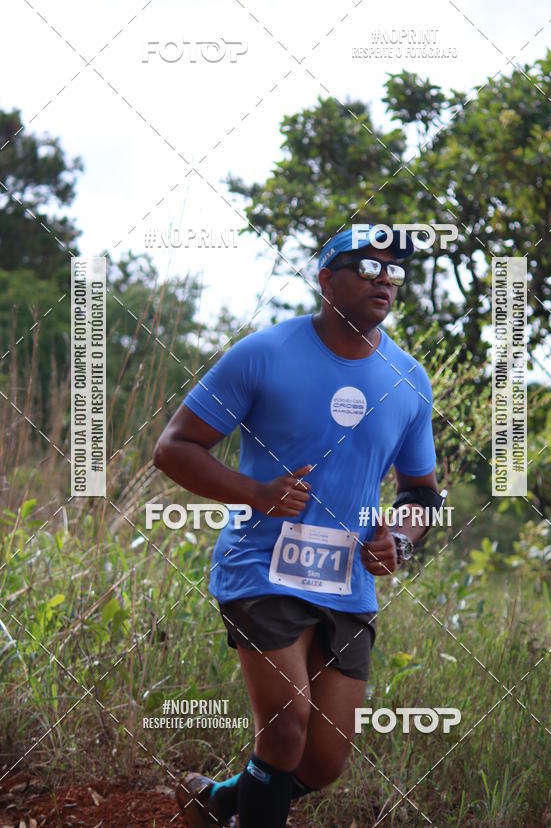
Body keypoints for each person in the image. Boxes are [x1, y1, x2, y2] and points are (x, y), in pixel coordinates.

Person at [153, 226, 441, 828]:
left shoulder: (409, 379)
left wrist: (399, 540)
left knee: (323, 761)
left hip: (348, 582)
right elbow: (174, 448)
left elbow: (421, 493)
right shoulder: (263, 354)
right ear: (325, 279)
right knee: (286, 726)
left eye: (394, 270)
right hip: (260, 564)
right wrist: (255, 493)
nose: (385, 279)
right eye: (368, 266)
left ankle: (217, 802)